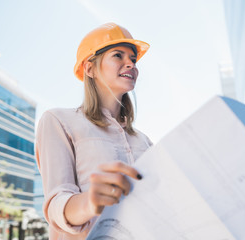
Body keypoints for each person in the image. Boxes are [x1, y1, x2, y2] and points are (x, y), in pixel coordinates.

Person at [35, 23, 153, 239]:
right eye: (118, 55)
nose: (131, 64)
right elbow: (56, 204)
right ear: (90, 68)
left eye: (133, 59)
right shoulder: (59, 121)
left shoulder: (144, 141)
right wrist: (90, 201)